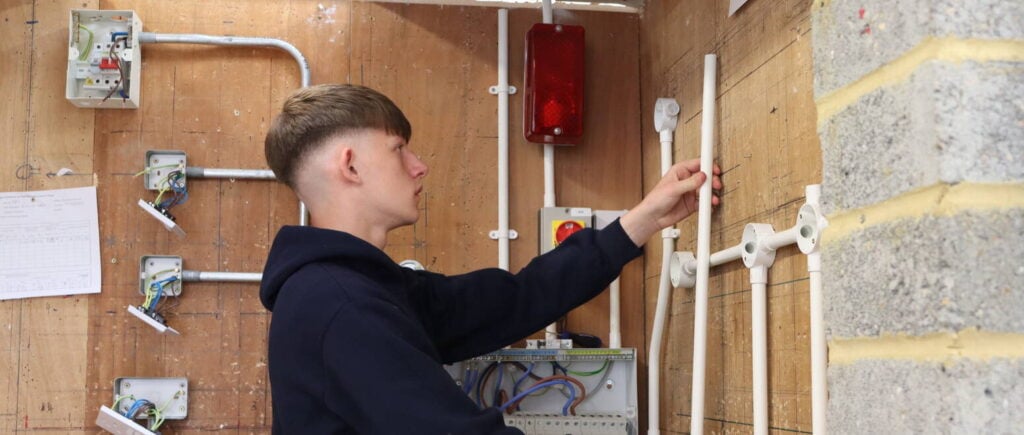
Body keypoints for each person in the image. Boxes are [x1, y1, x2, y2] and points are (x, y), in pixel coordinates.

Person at [260, 84, 721, 434]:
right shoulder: (340, 306)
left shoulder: (363, 288)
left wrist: (640, 222)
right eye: (399, 149)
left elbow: (516, 299)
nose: (419, 166)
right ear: (350, 165)